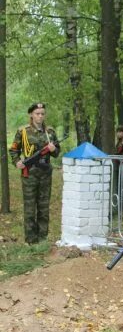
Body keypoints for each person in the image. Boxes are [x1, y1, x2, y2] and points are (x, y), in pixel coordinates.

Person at [9, 102, 61, 244]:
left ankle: (42, 239)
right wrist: (17, 162)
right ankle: (31, 240)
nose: (40, 116)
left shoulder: (50, 132)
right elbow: (14, 150)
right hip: (30, 174)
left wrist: (53, 150)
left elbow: (57, 152)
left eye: (42, 114)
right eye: (37, 113)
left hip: (45, 174)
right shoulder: (23, 131)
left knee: (44, 207)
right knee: (30, 207)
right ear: (31, 115)